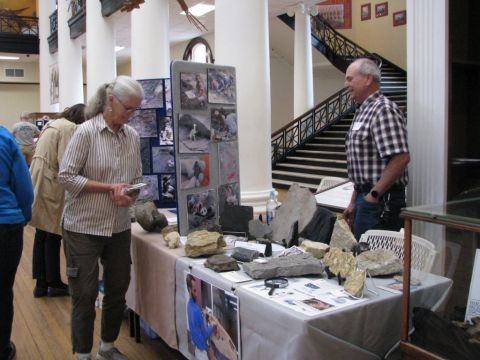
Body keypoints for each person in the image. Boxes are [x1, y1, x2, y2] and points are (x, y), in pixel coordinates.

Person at [58, 76, 144, 360]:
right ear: (111, 101)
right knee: (83, 294)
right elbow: (66, 177)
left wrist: (129, 195)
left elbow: (137, 179)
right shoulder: (85, 133)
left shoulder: (131, 137)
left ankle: (107, 347)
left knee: (118, 288)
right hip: (83, 226)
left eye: (135, 110)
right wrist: (109, 188)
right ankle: (83, 354)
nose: (132, 115)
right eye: (128, 109)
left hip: (118, 226)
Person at [343, 58, 410, 240]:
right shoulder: (362, 111)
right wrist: (353, 201)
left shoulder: (383, 110)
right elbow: (362, 167)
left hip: (381, 200)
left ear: (368, 79)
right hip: (365, 197)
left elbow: (401, 158)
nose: (346, 84)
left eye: (350, 79)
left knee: (373, 262)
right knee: (361, 257)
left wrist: (373, 195)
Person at [29, 104, 86, 298]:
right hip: (51, 183)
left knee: (42, 232)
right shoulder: (69, 128)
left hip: (39, 179)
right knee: (53, 232)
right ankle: (54, 282)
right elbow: (66, 162)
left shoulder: (52, 124)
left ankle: (41, 283)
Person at [0, 126, 34, 360]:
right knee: (2, 291)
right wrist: (23, 216)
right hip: (6, 224)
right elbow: (24, 189)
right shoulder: (3, 137)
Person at [186, 274, 216, 360]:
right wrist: (212, 325)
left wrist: (203, 312)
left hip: (196, 348)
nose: (197, 293)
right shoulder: (196, 311)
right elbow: (204, 335)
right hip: (201, 352)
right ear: (189, 289)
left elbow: (196, 326)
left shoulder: (189, 305)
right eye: (195, 290)